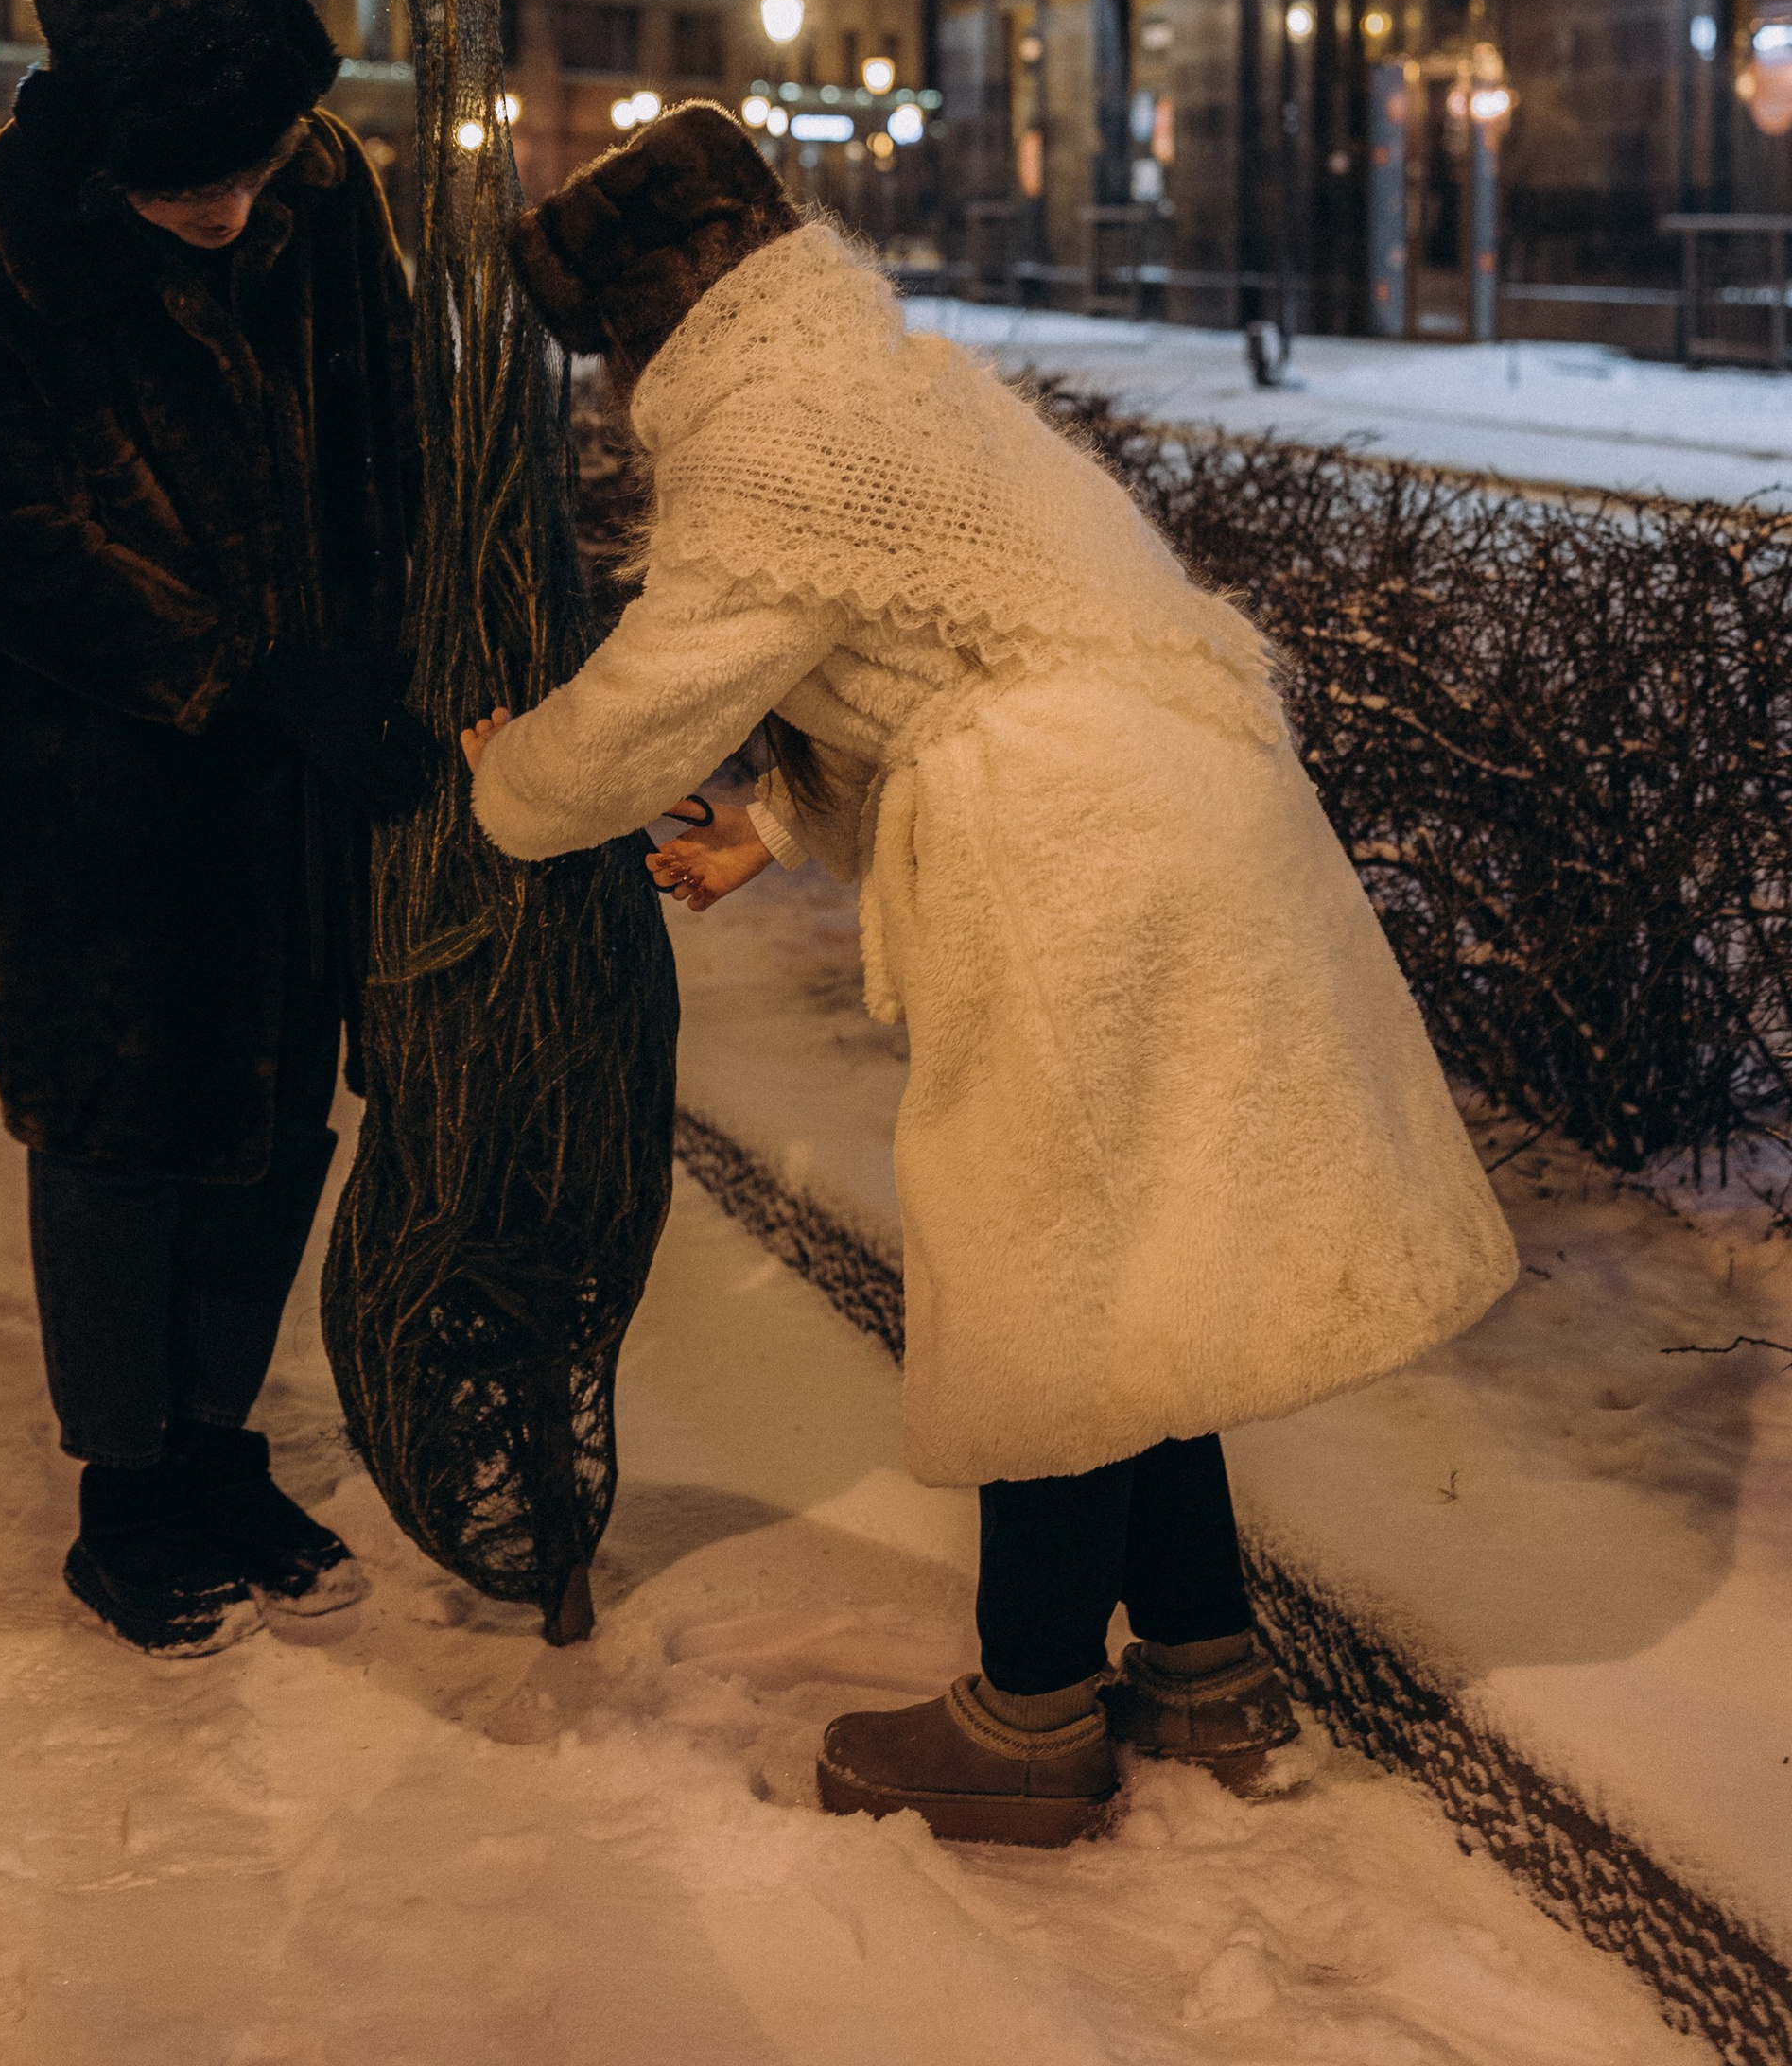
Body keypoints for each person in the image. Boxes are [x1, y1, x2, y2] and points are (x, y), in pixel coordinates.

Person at [461, 102, 1516, 1848]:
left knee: (1046, 1277)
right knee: (1138, 1265)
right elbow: (946, 629)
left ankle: (1028, 1710)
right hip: (1180, 809)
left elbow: (667, 688)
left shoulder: (770, 428)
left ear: (651, 320)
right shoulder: (898, 377)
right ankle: (1206, 1666)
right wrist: (774, 829)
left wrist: (513, 785)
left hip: (1073, 856)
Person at [0, 0, 423, 1656]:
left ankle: (217, 1446)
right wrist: (237, 675)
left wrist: (387, 661)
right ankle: (122, 1489)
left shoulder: (325, 195)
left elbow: (387, 429)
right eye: (188, 182)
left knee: (281, 1116)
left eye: (251, 166)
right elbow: (23, 556)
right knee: (124, 1132)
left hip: (304, 769)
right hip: (102, 797)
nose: (226, 206)